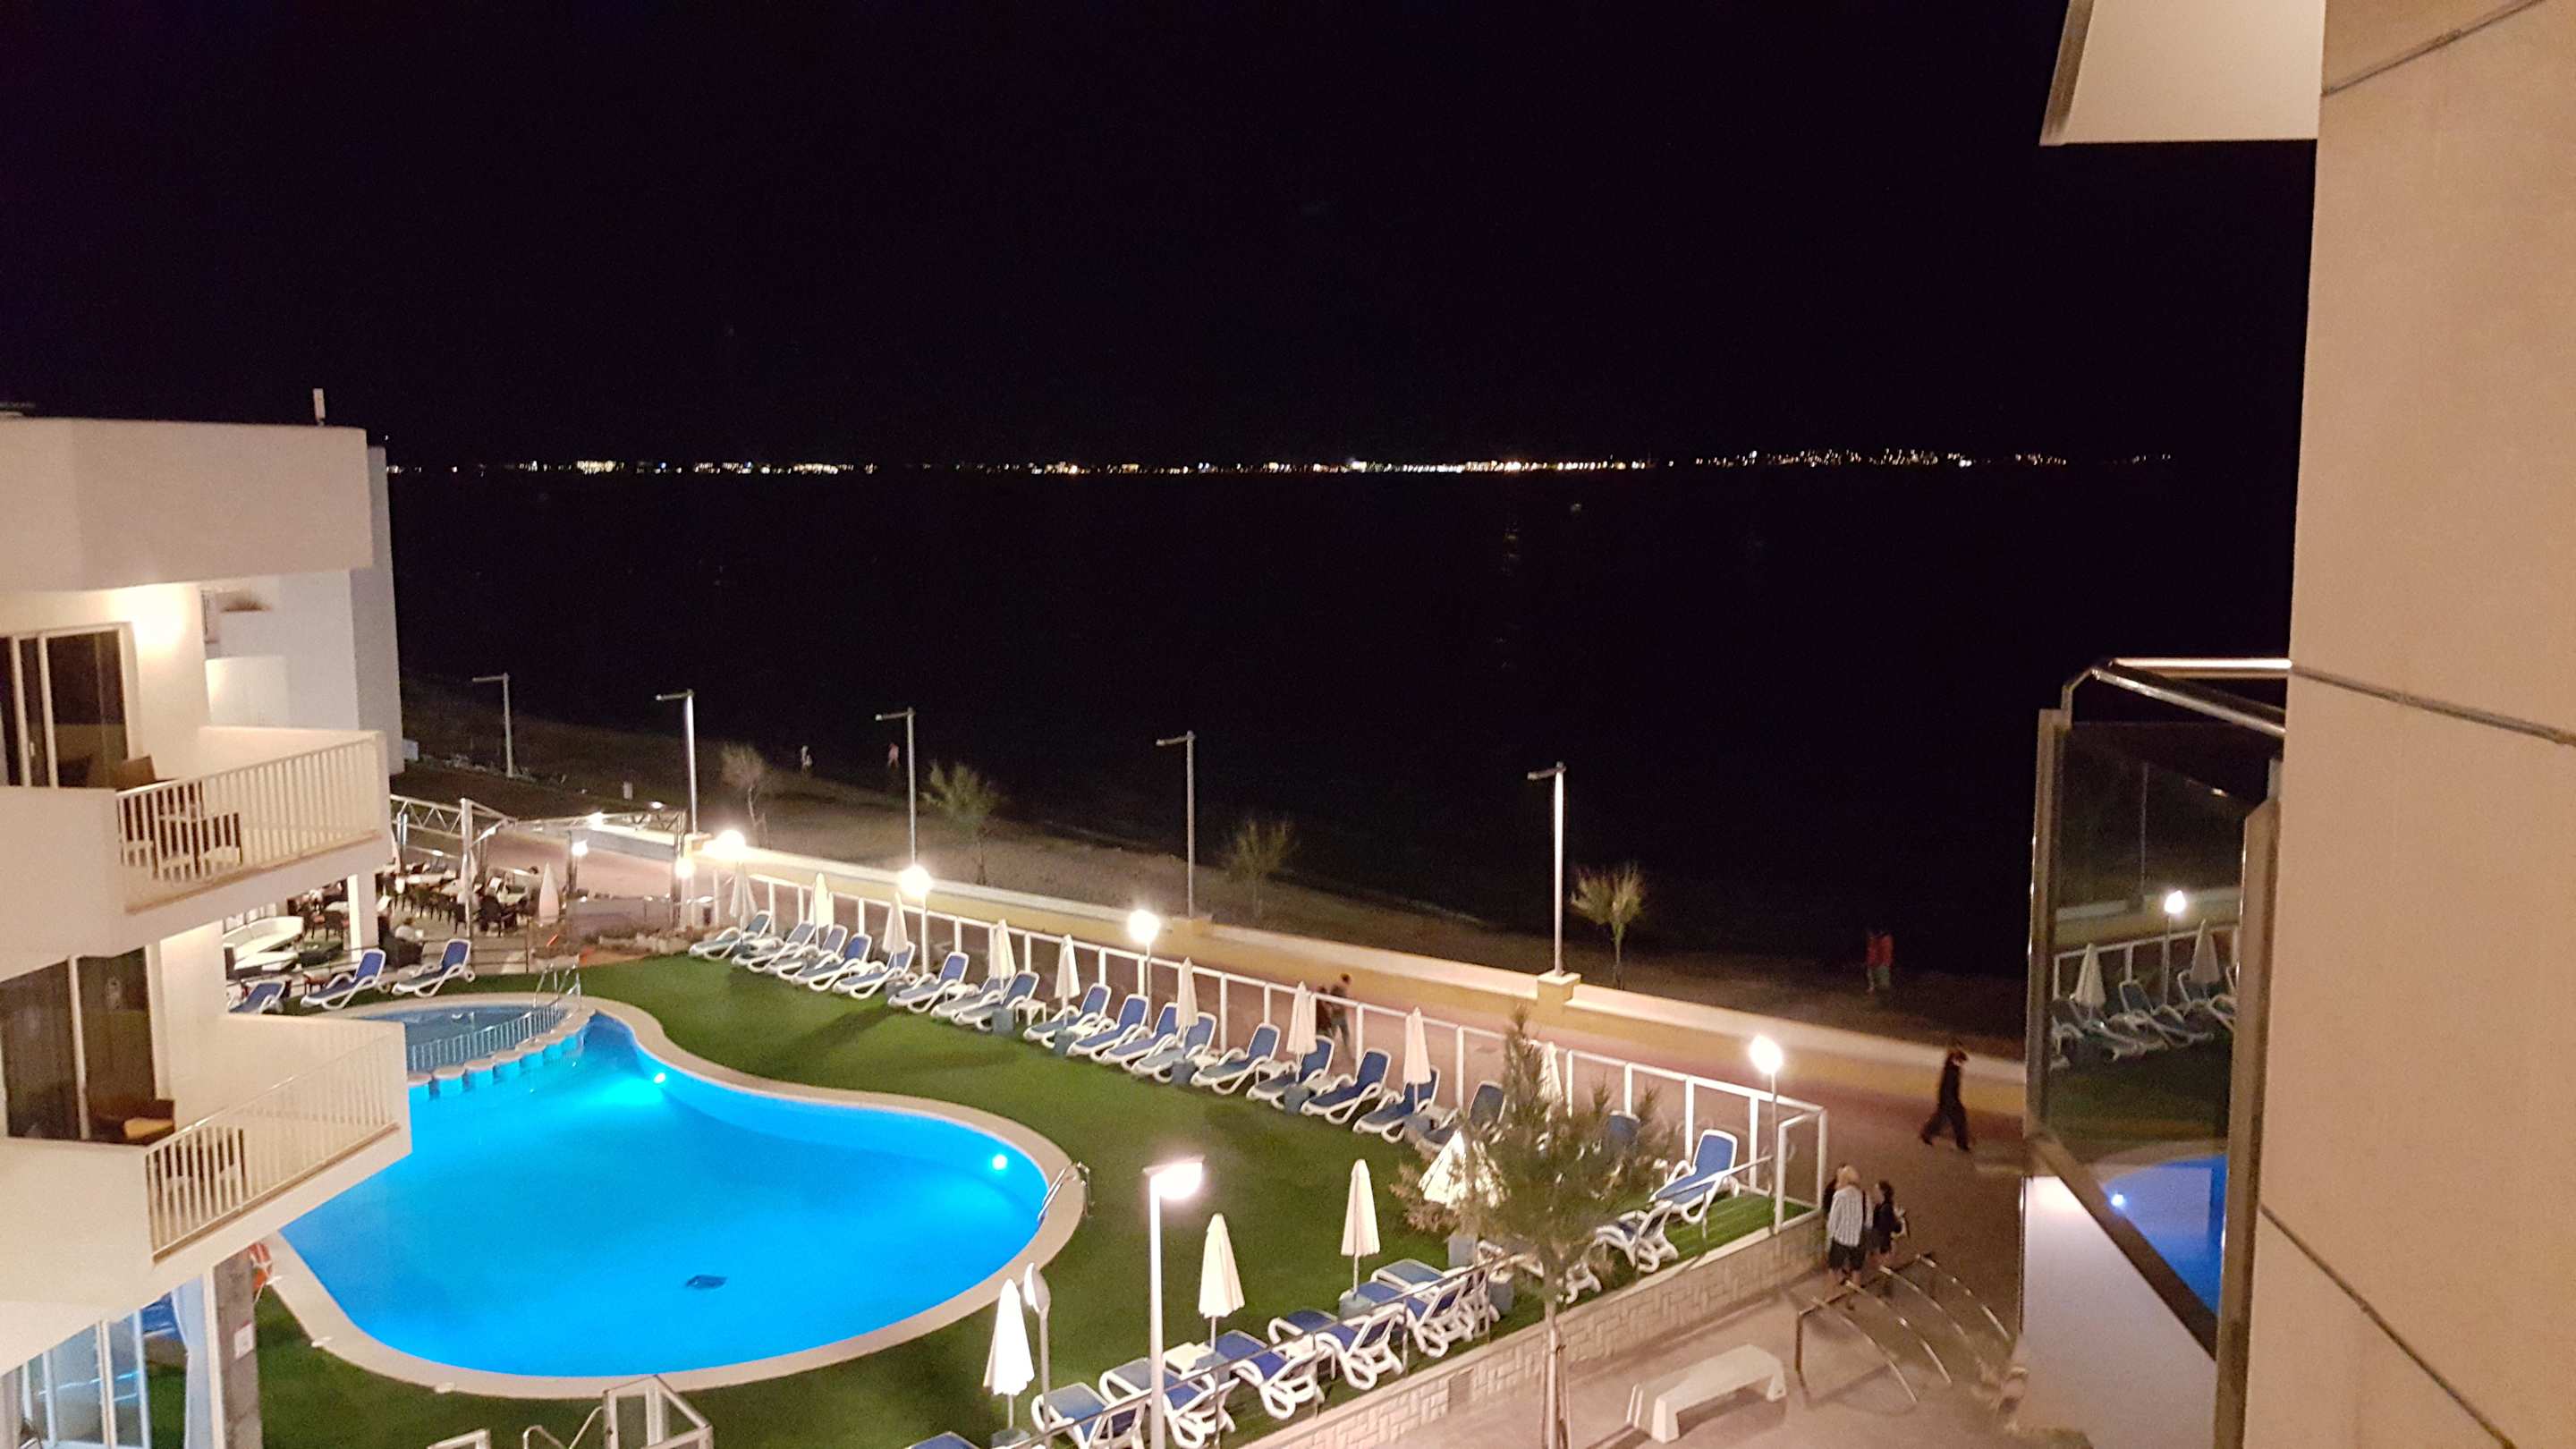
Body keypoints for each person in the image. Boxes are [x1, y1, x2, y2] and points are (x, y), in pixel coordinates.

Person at [1920, 1042, 1971, 1151]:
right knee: (1951, 1118)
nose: (1962, 1063)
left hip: (1949, 1097)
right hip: (1948, 1098)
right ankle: (1961, 1143)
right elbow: (1949, 1086)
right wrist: (1951, 1100)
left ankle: (1927, 1134)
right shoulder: (1952, 1068)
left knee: (1944, 1117)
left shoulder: (1953, 1068)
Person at [1826, 1165, 1868, 1285]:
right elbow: (1867, 1219)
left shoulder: (1840, 1195)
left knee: (1833, 1267)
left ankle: (1830, 1292)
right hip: (1858, 1238)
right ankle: (1853, 1294)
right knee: (1856, 1270)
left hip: (1841, 1237)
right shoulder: (1862, 1195)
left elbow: (1833, 1220)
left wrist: (1829, 1239)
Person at [1869, 1180, 1905, 1267]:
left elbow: (1885, 1230)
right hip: (1882, 1245)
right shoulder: (1880, 1208)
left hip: (1885, 1246)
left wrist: (1882, 1249)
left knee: (1885, 1267)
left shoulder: (1885, 1209)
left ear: (1881, 1193)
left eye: (1875, 1191)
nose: (1873, 1193)